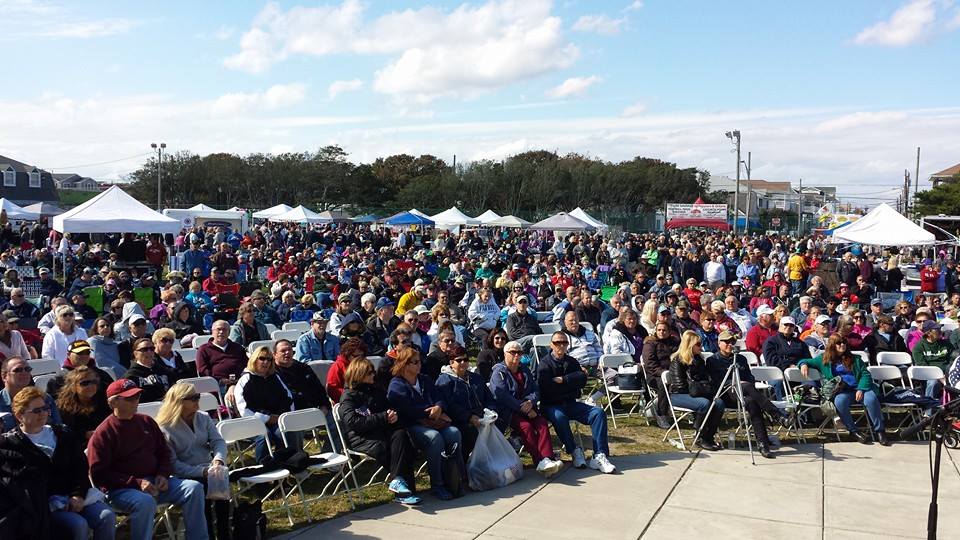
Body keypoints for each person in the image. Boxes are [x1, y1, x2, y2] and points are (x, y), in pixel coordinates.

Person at [87, 378, 209, 540]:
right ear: (113, 403)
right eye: (129, 398)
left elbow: (164, 453)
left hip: (153, 481)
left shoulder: (146, 422)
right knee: (145, 502)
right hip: (120, 490)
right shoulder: (104, 433)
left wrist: (162, 474)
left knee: (193, 488)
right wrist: (136, 482)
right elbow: (99, 474)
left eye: (137, 397)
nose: (135, 402)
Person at [0, 386, 117, 540]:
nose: (43, 414)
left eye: (45, 408)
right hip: (43, 505)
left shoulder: (62, 434)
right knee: (77, 525)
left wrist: (78, 495)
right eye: (36, 411)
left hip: (76, 496)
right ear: (20, 415)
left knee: (106, 516)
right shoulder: (10, 444)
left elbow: (80, 468)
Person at [338, 357, 422, 505]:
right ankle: (402, 488)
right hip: (361, 437)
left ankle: (400, 484)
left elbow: (388, 407)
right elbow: (353, 422)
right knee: (392, 445)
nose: (373, 375)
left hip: (380, 431)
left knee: (401, 436)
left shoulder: (375, 390)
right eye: (370, 373)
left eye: (373, 372)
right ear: (359, 374)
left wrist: (392, 416)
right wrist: (383, 417)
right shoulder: (349, 396)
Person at [156, 383, 231, 540]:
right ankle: (207, 534)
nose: (198, 400)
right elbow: (173, 464)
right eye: (193, 398)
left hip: (209, 467)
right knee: (202, 488)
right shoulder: (165, 428)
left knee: (221, 480)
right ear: (179, 401)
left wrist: (218, 460)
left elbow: (218, 441)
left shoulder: (203, 417)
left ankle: (225, 533)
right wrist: (201, 472)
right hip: (184, 474)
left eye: (197, 396)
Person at [386, 348, 463, 501]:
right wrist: (428, 413)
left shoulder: (425, 379)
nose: (419, 365)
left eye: (419, 361)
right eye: (415, 362)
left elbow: (439, 397)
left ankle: (456, 479)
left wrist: (439, 407)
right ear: (405, 365)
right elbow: (406, 410)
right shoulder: (397, 384)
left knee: (454, 433)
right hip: (412, 426)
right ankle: (437, 485)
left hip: (434, 420)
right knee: (434, 438)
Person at [536, 331, 616, 473]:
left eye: (564, 342)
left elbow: (582, 379)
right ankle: (574, 450)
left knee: (598, 413)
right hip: (551, 405)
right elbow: (547, 388)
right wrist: (571, 384)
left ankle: (599, 455)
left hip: (571, 403)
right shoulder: (544, 364)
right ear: (551, 345)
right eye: (557, 343)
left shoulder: (571, 361)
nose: (561, 345)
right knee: (560, 417)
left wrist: (563, 380)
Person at [707, 331, 793, 458]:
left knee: (753, 403)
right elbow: (716, 382)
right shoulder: (713, 360)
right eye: (726, 342)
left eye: (732, 342)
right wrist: (736, 383)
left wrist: (744, 383)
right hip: (726, 394)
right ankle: (777, 415)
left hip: (746, 393)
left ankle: (763, 444)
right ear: (719, 343)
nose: (730, 345)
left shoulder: (741, 359)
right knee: (746, 386)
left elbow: (750, 377)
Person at [799, 335, 891, 446]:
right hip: (843, 391)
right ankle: (853, 431)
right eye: (839, 343)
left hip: (861, 389)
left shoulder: (855, 359)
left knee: (871, 399)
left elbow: (865, 374)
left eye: (844, 343)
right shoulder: (824, 359)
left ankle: (880, 431)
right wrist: (803, 364)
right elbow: (806, 361)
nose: (842, 345)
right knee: (839, 402)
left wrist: (861, 389)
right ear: (832, 345)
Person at [489, 340, 562, 477]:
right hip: (509, 412)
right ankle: (539, 461)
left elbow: (535, 390)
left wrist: (531, 401)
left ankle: (547, 458)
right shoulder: (499, 373)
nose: (517, 355)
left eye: (519, 352)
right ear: (505, 354)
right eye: (513, 352)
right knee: (526, 427)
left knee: (541, 424)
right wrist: (525, 409)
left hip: (528, 408)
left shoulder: (524, 369)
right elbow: (503, 397)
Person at [234, 346, 299, 463]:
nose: (266, 362)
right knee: (265, 436)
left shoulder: (275, 377)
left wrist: (282, 417)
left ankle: (284, 465)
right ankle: (263, 470)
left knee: (284, 431)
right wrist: (267, 418)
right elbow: (244, 409)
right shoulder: (246, 379)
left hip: (277, 419)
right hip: (252, 421)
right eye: (262, 358)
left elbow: (288, 398)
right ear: (254, 359)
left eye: (269, 359)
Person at [667, 331, 724, 451]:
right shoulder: (677, 361)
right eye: (698, 344)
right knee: (704, 403)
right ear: (689, 345)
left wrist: (702, 388)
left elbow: (705, 378)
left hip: (697, 392)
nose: (701, 346)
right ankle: (700, 436)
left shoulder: (699, 360)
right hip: (679, 395)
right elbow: (679, 385)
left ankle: (709, 436)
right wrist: (699, 388)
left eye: (701, 343)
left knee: (719, 403)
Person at [435, 345, 496, 457]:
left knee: (499, 423)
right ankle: (467, 467)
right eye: (459, 360)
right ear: (451, 362)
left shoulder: (476, 378)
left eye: (466, 359)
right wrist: (469, 417)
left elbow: (489, 397)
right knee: (470, 432)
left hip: (482, 416)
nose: (463, 362)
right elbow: (450, 405)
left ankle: (492, 463)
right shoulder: (445, 380)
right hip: (459, 419)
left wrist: (491, 412)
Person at [1, 356, 62, 431]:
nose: (24, 373)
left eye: (27, 369)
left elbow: (58, 427)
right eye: (18, 370)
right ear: (4, 376)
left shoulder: (45, 398)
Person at [196, 319, 247, 401]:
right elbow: (202, 370)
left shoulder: (238, 348)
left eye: (224, 329)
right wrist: (220, 380)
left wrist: (238, 381)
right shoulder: (204, 349)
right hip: (217, 385)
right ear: (212, 332)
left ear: (229, 332)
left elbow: (247, 365)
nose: (221, 332)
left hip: (239, 382)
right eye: (218, 329)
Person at [56, 366, 111, 441]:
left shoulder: (104, 399)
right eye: (84, 383)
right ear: (73, 386)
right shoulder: (64, 407)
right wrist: (84, 434)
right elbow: (66, 432)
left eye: (94, 382)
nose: (91, 386)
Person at [761, 316, 811, 398]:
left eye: (791, 325)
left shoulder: (800, 343)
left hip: (797, 373)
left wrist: (803, 363)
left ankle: (807, 409)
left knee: (811, 383)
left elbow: (807, 358)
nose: (788, 327)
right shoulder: (770, 341)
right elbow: (771, 360)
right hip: (777, 373)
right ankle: (784, 409)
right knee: (779, 383)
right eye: (786, 324)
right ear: (780, 326)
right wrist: (788, 365)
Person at [643, 321, 680, 429]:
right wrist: (663, 372)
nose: (661, 332)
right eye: (659, 330)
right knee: (664, 384)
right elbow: (650, 364)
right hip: (655, 375)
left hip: (673, 372)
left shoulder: (674, 343)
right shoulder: (650, 344)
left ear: (669, 332)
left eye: (664, 330)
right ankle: (662, 414)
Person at [911, 320, 953, 402]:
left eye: (939, 329)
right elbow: (923, 366)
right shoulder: (919, 347)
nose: (940, 331)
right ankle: (929, 409)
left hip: (947, 372)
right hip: (930, 375)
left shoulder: (947, 344)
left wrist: (947, 373)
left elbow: (952, 360)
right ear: (928, 333)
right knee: (933, 383)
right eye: (937, 329)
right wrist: (939, 375)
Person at [123, 337, 175, 403]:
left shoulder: (165, 370)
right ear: (135, 354)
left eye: (152, 349)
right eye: (144, 349)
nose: (149, 352)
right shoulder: (130, 376)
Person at [326, 337, 369, 404]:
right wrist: (354, 395)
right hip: (347, 402)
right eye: (355, 356)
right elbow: (333, 390)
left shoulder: (366, 364)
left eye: (362, 356)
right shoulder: (337, 366)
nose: (359, 359)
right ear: (347, 354)